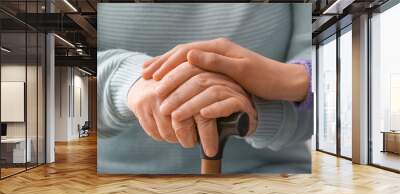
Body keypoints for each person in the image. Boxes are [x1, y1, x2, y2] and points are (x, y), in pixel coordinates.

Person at [97, 3, 313, 174]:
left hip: (274, 179)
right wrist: (131, 82)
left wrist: (254, 107)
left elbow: (334, 91)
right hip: (116, 183)